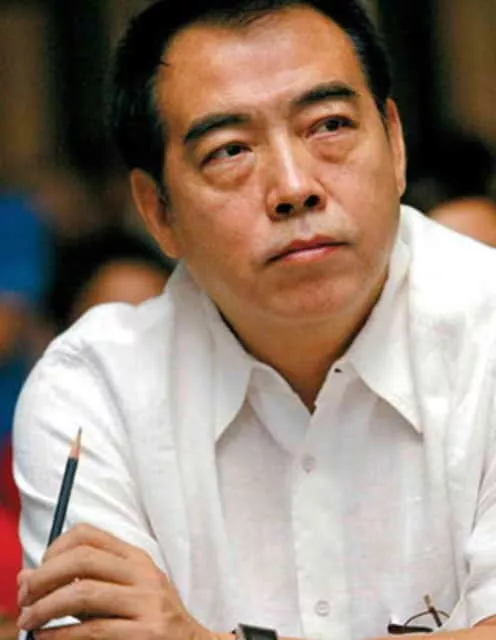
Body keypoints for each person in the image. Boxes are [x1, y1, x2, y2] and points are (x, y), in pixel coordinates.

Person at [12, 1, 496, 639]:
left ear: (395, 145)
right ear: (157, 211)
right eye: (230, 150)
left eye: (329, 125)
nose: (294, 187)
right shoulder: (95, 394)